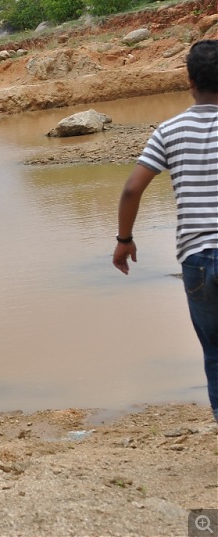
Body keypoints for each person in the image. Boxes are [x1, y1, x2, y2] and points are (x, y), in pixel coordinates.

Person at [112, 39, 218, 423]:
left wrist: (124, 240)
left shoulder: (170, 130)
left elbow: (131, 189)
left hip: (196, 259)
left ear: (189, 79)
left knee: (214, 351)